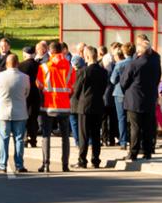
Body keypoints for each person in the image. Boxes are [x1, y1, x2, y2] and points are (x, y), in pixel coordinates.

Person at [114, 37, 161, 162]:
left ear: (139, 53)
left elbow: (123, 82)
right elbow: (157, 80)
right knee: (147, 127)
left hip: (134, 100)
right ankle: (147, 152)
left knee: (135, 127)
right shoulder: (155, 64)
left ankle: (133, 153)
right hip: (149, 99)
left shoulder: (133, 64)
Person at [37, 41, 76, 171]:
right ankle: (65, 165)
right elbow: (72, 88)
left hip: (48, 106)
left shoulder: (44, 67)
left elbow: (39, 85)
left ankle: (46, 164)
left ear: (50, 51)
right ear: (62, 51)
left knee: (46, 135)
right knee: (65, 137)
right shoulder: (70, 67)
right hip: (64, 106)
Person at [0, 54, 30, 175]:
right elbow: (26, 93)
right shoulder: (25, 77)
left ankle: (2, 163)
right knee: (19, 139)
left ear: (6, 64)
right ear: (17, 63)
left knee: (4, 138)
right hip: (19, 111)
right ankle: (19, 164)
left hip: (3, 111)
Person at [72, 44, 109, 168]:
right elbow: (104, 88)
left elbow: (76, 90)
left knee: (84, 135)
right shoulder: (103, 72)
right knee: (95, 134)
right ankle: (95, 160)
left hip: (84, 106)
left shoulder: (83, 72)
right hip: (98, 105)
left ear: (87, 56)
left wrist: (76, 99)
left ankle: (82, 160)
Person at [18, 44, 44, 148]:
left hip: (24, 94)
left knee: (23, 116)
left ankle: (24, 137)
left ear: (24, 54)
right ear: (34, 54)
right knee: (33, 117)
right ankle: (33, 139)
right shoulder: (39, 66)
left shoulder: (20, 66)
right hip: (36, 94)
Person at [107, 42, 130, 148]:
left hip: (119, 92)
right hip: (130, 93)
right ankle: (131, 139)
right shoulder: (131, 62)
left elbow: (112, 80)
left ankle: (123, 141)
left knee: (121, 118)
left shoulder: (118, 65)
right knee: (131, 118)